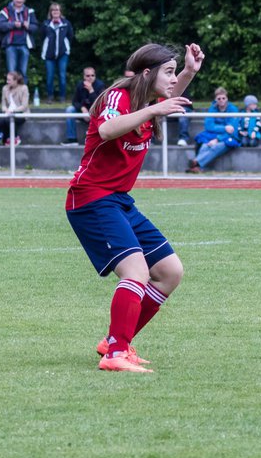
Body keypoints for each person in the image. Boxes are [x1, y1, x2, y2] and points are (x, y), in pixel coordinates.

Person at [66, 42, 204, 373]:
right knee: (137, 273)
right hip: (91, 198)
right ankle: (115, 354)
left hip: (118, 200)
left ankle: (117, 341)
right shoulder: (119, 98)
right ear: (147, 73)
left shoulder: (144, 102)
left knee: (170, 273)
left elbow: (166, 100)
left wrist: (188, 72)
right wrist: (154, 110)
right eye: (168, 73)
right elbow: (107, 129)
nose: (173, 81)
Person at [186, 87, 240, 173]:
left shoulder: (233, 109)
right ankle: (199, 167)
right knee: (204, 145)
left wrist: (217, 139)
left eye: (223, 98)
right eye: (219, 98)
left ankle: (196, 162)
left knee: (216, 146)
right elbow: (209, 126)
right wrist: (224, 128)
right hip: (213, 134)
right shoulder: (213, 108)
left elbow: (232, 130)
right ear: (216, 99)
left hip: (228, 137)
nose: (221, 100)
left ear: (227, 98)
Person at [0, 0, 39, 78]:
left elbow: (35, 27)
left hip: (24, 45)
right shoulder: (5, 11)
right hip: (10, 45)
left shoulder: (29, 11)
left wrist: (28, 26)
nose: (19, 0)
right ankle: (11, 92)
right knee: (11, 73)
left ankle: (23, 92)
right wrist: (13, 24)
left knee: (23, 72)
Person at [63, 67, 105, 145]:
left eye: (92, 75)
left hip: (95, 112)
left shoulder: (100, 86)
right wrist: (82, 108)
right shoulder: (80, 85)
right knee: (70, 109)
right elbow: (74, 101)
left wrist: (91, 90)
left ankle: (98, 139)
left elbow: (100, 104)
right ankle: (72, 139)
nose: (90, 78)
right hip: (83, 112)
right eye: (88, 76)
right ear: (84, 77)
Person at [41, 3, 74, 102]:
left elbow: (70, 37)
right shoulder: (46, 24)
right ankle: (50, 97)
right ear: (50, 12)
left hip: (63, 54)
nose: (55, 12)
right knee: (49, 76)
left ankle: (62, 97)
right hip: (49, 55)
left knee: (62, 75)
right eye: (53, 10)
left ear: (60, 12)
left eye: (57, 10)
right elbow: (42, 37)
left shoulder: (66, 23)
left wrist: (65, 48)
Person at [0, 70, 29, 145]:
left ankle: (15, 138)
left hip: (21, 113)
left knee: (8, 119)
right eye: (7, 79)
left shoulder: (24, 88)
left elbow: (24, 105)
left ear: (15, 80)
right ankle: (6, 139)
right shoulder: (5, 88)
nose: (7, 82)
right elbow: (3, 104)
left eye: (9, 80)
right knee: (0, 120)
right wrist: (5, 110)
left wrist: (13, 111)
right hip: (8, 112)